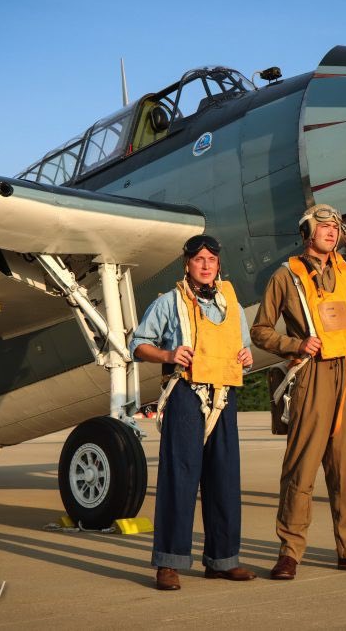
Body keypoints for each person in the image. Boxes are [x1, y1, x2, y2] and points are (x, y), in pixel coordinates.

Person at [251, 203, 346, 580]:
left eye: (335, 227)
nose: (332, 231)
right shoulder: (286, 276)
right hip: (312, 375)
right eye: (324, 226)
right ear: (307, 232)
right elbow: (260, 330)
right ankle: (290, 551)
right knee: (302, 466)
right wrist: (295, 346)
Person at [130, 234, 256, 591]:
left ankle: (222, 560)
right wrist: (168, 356)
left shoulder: (231, 304)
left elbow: (242, 348)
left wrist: (246, 358)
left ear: (218, 265)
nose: (205, 265)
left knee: (225, 480)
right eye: (198, 259)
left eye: (211, 260)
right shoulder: (169, 302)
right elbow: (138, 344)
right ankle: (168, 563)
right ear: (187, 264)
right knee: (179, 479)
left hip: (224, 397)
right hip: (185, 394)